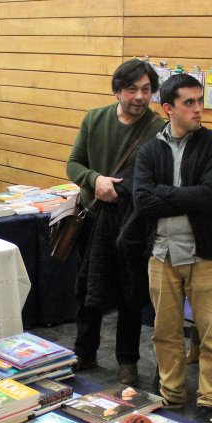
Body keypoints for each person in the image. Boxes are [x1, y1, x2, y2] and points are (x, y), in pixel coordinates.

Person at [119, 73, 212, 423]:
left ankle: (211, 401)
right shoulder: (150, 150)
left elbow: (209, 195)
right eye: (189, 103)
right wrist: (186, 198)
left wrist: (162, 194)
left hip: (206, 254)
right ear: (168, 108)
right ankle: (172, 394)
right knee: (165, 333)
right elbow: (142, 201)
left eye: (201, 101)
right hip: (162, 254)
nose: (199, 109)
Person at [67, 58, 164, 386]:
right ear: (117, 91)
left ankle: (128, 361)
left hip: (133, 224)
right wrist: (95, 180)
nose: (140, 96)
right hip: (94, 219)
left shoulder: (157, 128)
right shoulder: (94, 120)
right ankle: (84, 350)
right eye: (132, 89)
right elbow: (74, 164)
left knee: (131, 295)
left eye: (147, 89)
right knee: (87, 290)